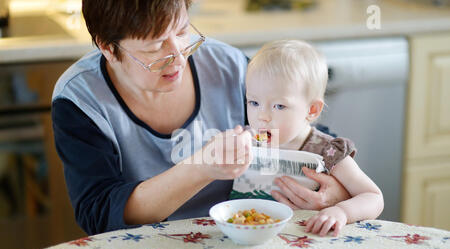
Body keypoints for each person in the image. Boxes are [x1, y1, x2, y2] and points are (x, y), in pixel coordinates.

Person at [51, 0, 350, 236]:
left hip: (245, 237)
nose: (180, 57)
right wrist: (201, 168)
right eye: (156, 47)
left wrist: (331, 190)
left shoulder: (228, 67)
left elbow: (304, 134)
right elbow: (100, 212)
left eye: (182, 32)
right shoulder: (81, 101)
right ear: (108, 48)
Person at [232, 40, 384, 236]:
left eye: (279, 106)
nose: (261, 116)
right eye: (253, 102)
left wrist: (341, 211)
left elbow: (373, 196)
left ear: (311, 110)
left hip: (308, 241)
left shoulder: (327, 151)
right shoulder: (246, 140)